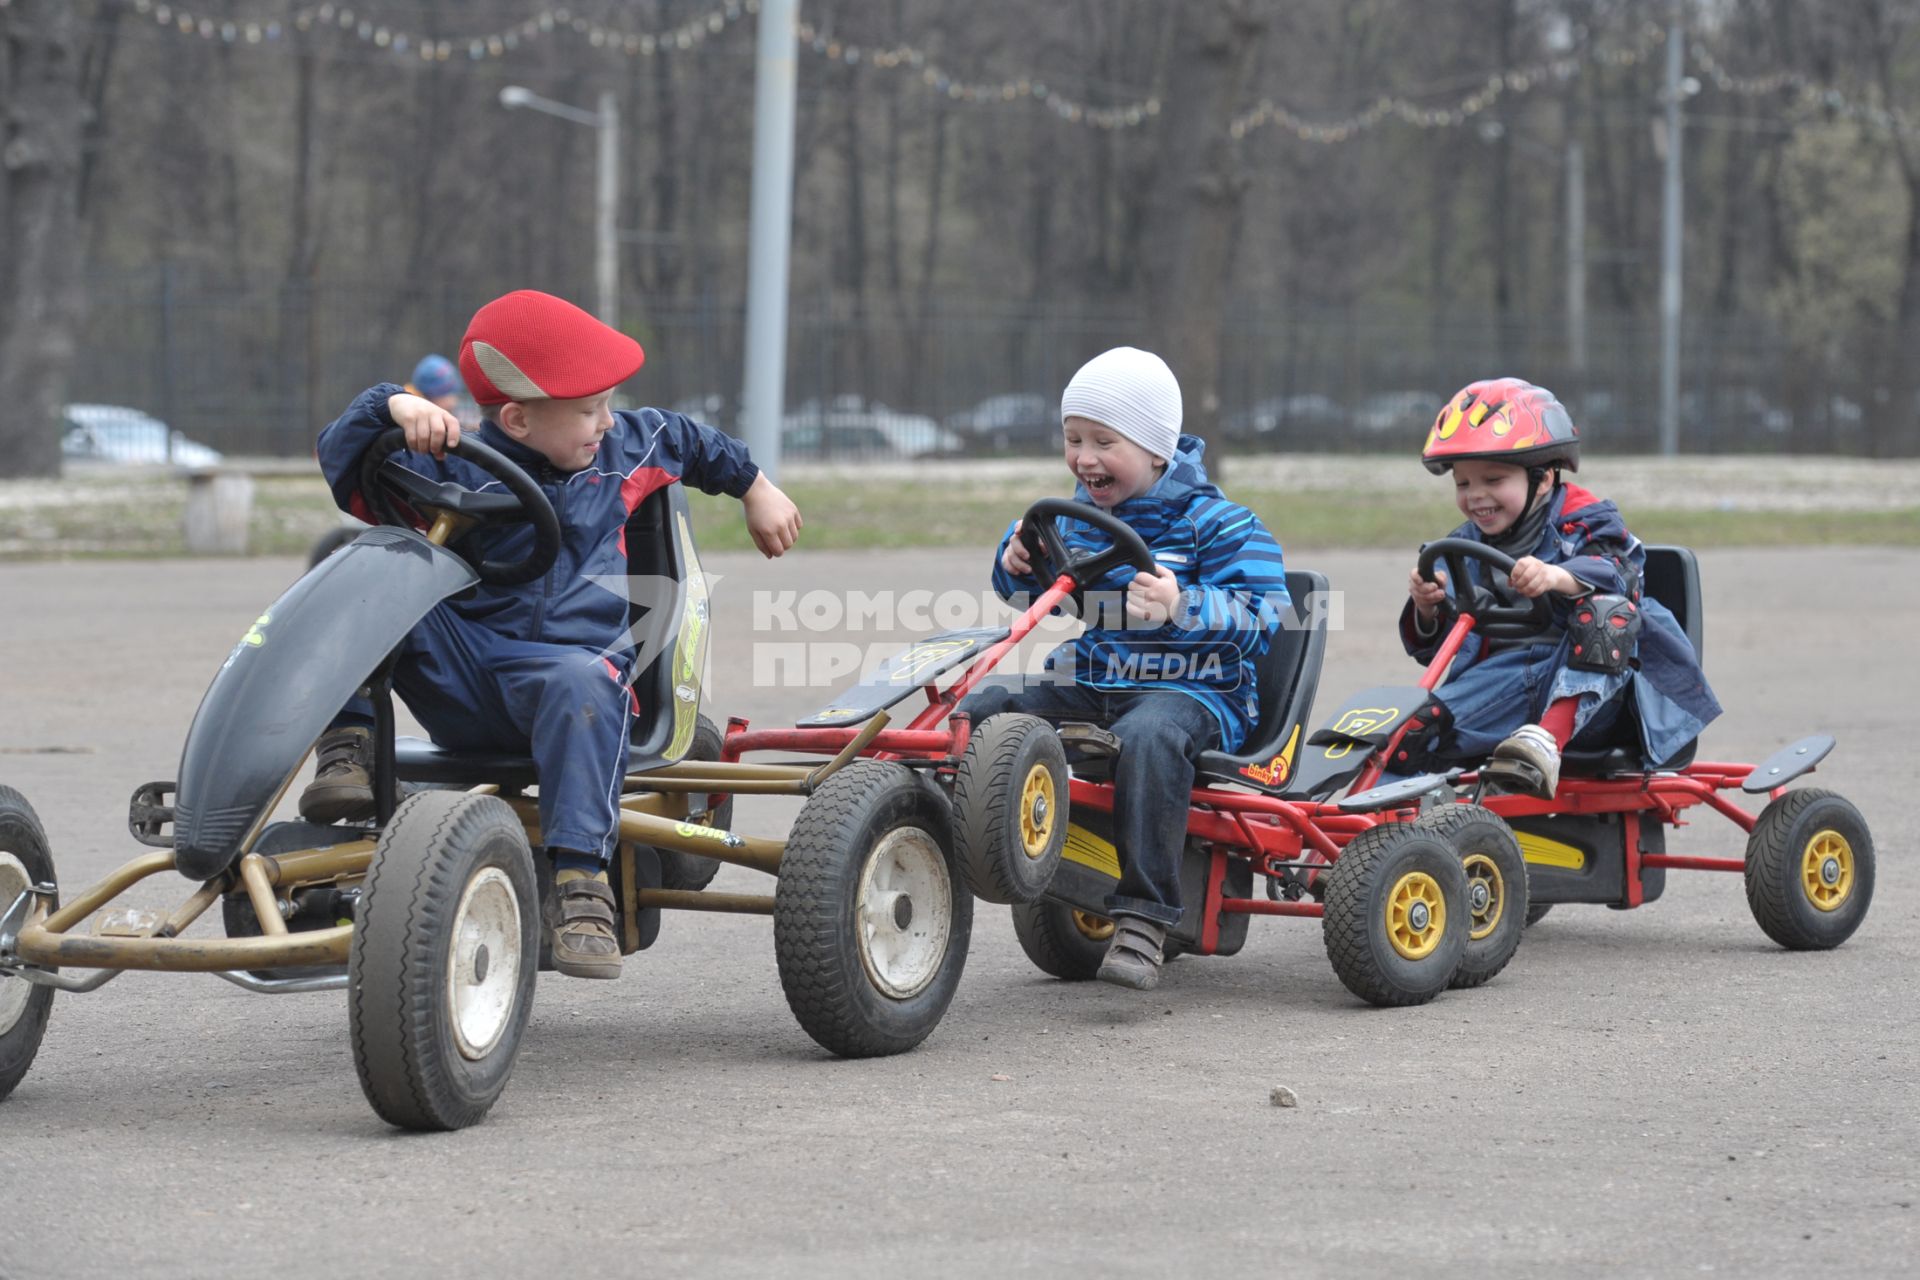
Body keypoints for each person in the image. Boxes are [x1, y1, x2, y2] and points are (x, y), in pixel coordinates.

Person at [301, 289, 802, 979]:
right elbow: (342, 463)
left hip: (570, 682)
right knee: (354, 570)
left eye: (605, 404)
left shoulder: (622, 448)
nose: (605, 421)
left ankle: (580, 885)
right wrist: (390, 405)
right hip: (467, 674)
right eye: (587, 410)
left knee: (581, 679)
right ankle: (348, 750)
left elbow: (693, 440)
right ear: (517, 418)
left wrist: (757, 489)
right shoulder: (448, 463)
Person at [960, 347, 1289, 991]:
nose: (1084, 457)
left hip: (1197, 690)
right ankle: (953, 830)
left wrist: (1183, 603)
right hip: (1094, 677)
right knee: (985, 706)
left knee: (1150, 738)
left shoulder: (1221, 525)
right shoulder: (1074, 519)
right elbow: (1031, 595)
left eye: (1104, 441)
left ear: (1156, 446)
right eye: (1073, 437)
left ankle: (1145, 915)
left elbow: (1266, 616)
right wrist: (1015, 560)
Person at [1399, 376, 1719, 795]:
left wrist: (1560, 577)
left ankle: (1545, 742)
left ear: (1544, 479)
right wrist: (1427, 607)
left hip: (1600, 706)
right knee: (1410, 734)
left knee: (1609, 613)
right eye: (1463, 483)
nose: (1476, 495)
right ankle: (1362, 834)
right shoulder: (1462, 548)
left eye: (1493, 480)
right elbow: (1437, 648)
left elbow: (1623, 574)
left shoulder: (1589, 523)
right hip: (1505, 685)